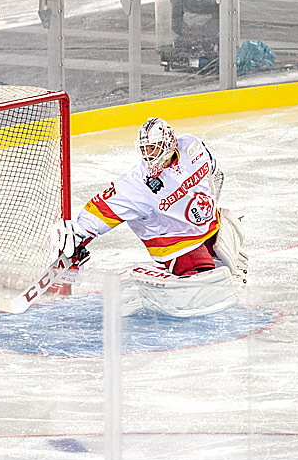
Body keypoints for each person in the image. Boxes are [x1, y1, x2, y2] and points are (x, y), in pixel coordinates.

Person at [60, 117, 249, 316]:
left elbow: (213, 172)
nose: (148, 155)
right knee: (208, 290)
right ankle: (147, 280)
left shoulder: (192, 147)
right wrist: (79, 233)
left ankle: (213, 264)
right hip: (179, 244)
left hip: (208, 226)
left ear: (169, 144)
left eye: (153, 148)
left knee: (230, 252)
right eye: (144, 150)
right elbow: (104, 207)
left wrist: (210, 205)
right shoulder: (137, 183)